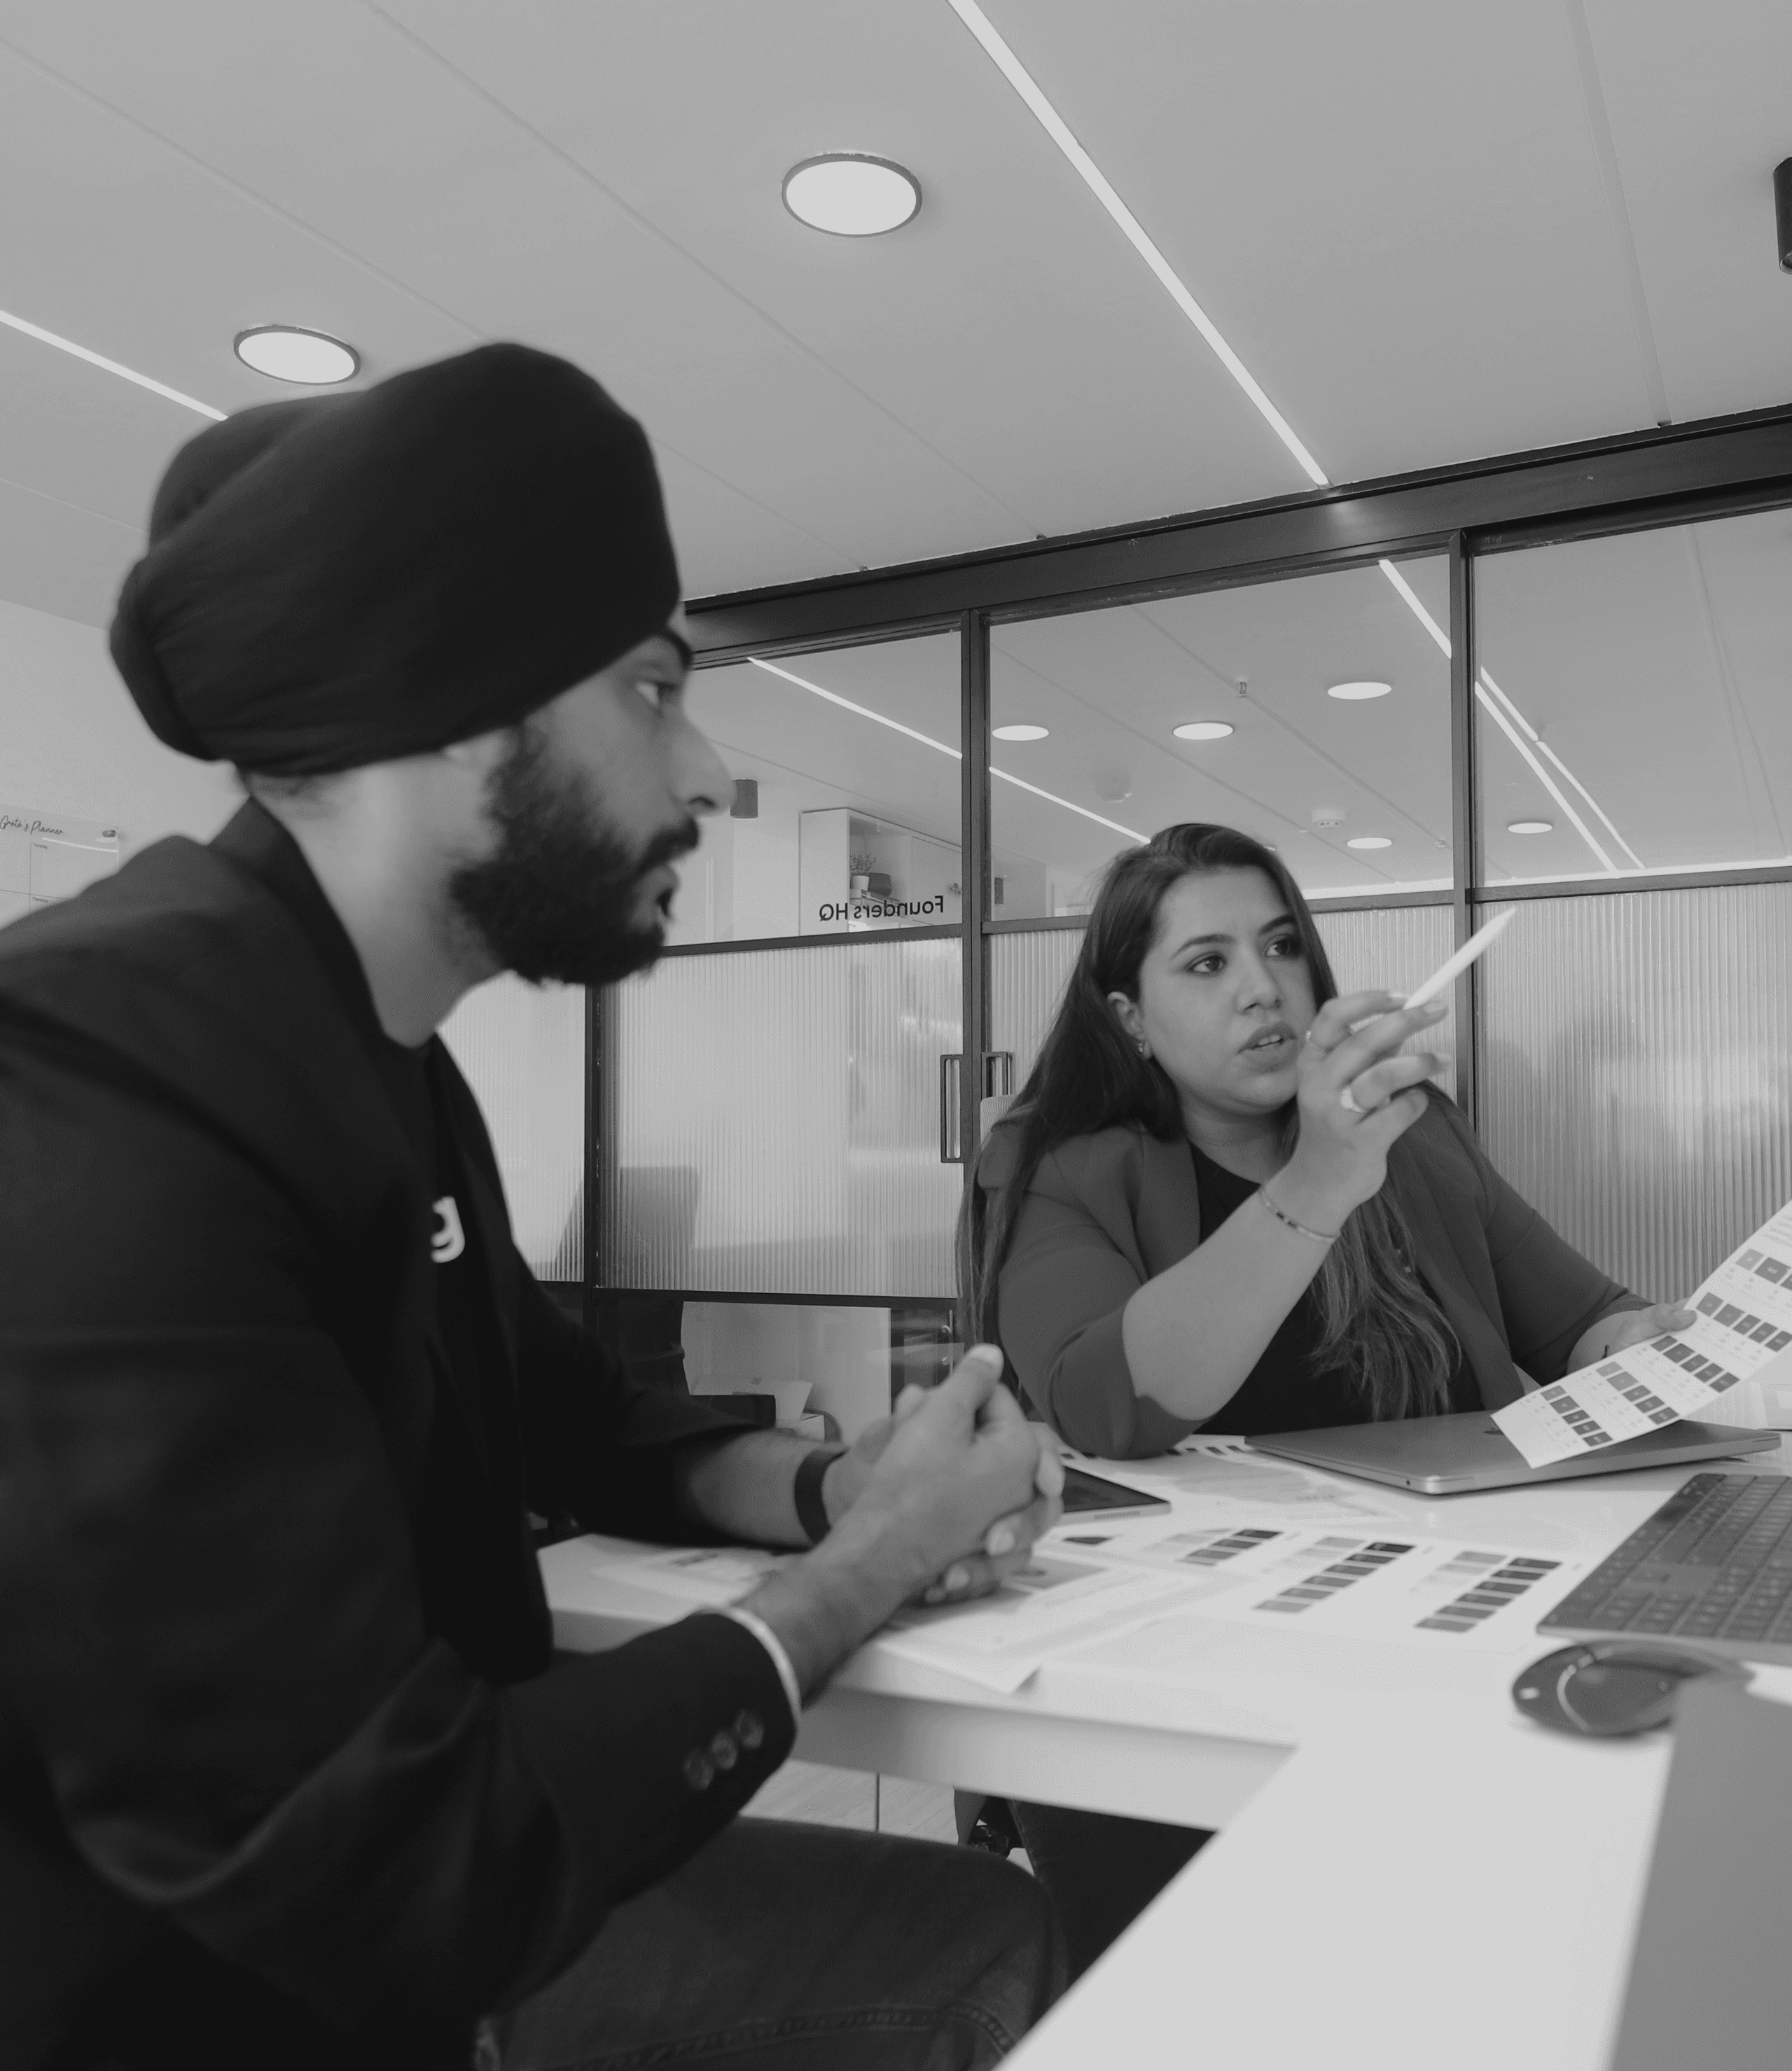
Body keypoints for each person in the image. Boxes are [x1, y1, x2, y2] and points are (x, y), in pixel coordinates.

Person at [0, 344, 1065, 2071]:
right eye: (652, 689)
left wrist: (827, 1485)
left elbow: (572, 1420)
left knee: (982, 1927)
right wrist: (867, 1570)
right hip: (220, 2002)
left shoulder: (374, 1054)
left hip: (408, 1959)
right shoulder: (96, 1081)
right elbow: (407, 1867)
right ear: (452, 699)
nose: (710, 771)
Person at [961, 819, 1695, 1975]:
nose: (1264, 987)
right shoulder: (1064, 1164)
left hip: (1448, 1641)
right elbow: (1106, 1404)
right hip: (1196, 1688)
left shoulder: (1417, 1136)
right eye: (1205, 964)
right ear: (1128, 1018)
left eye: (1282, 945)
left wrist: (1663, 1340)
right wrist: (1316, 1178)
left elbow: (1577, 1320)